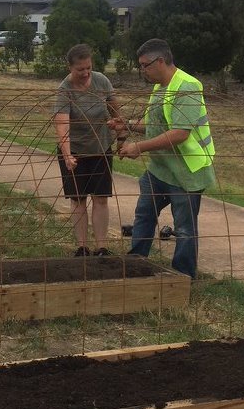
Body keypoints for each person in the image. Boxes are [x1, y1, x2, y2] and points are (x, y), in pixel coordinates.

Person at [114, 39, 215, 279]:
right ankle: (136, 264)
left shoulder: (187, 86)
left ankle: (183, 277)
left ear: (160, 61)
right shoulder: (160, 87)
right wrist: (126, 125)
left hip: (186, 170)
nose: (142, 71)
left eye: (145, 65)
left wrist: (139, 147)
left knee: (184, 228)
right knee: (145, 213)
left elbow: (180, 133)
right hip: (160, 169)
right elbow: (155, 126)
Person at [54, 43, 122, 256]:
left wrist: (119, 132)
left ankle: (102, 247)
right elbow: (62, 124)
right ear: (70, 68)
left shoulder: (101, 81)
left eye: (88, 68)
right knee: (78, 198)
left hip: (100, 147)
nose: (85, 73)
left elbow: (115, 111)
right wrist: (67, 155)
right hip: (75, 149)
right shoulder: (65, 90)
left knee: (101, 197)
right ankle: (82, 247)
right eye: (80, 69)